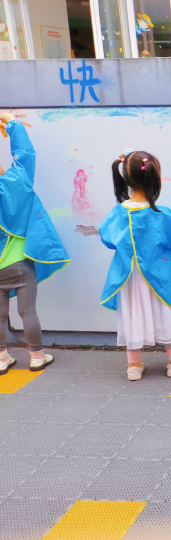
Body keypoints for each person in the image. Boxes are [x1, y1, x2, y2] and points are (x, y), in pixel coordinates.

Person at [100, 151, 171, 381]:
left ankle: (134, 366)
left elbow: (107, 238)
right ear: (154, 178)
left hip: (130, 279)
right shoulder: (162, 215)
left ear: (126, 177)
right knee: (165, 314)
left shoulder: (118, 213)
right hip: (159, 277)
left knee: (133, 316)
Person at [0, 113, 69, 374]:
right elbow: (25, 154)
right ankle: (37, 357)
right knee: (27, 311)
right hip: (19, 263)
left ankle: (2, 358)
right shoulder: (16, 184)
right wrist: (12, 123)